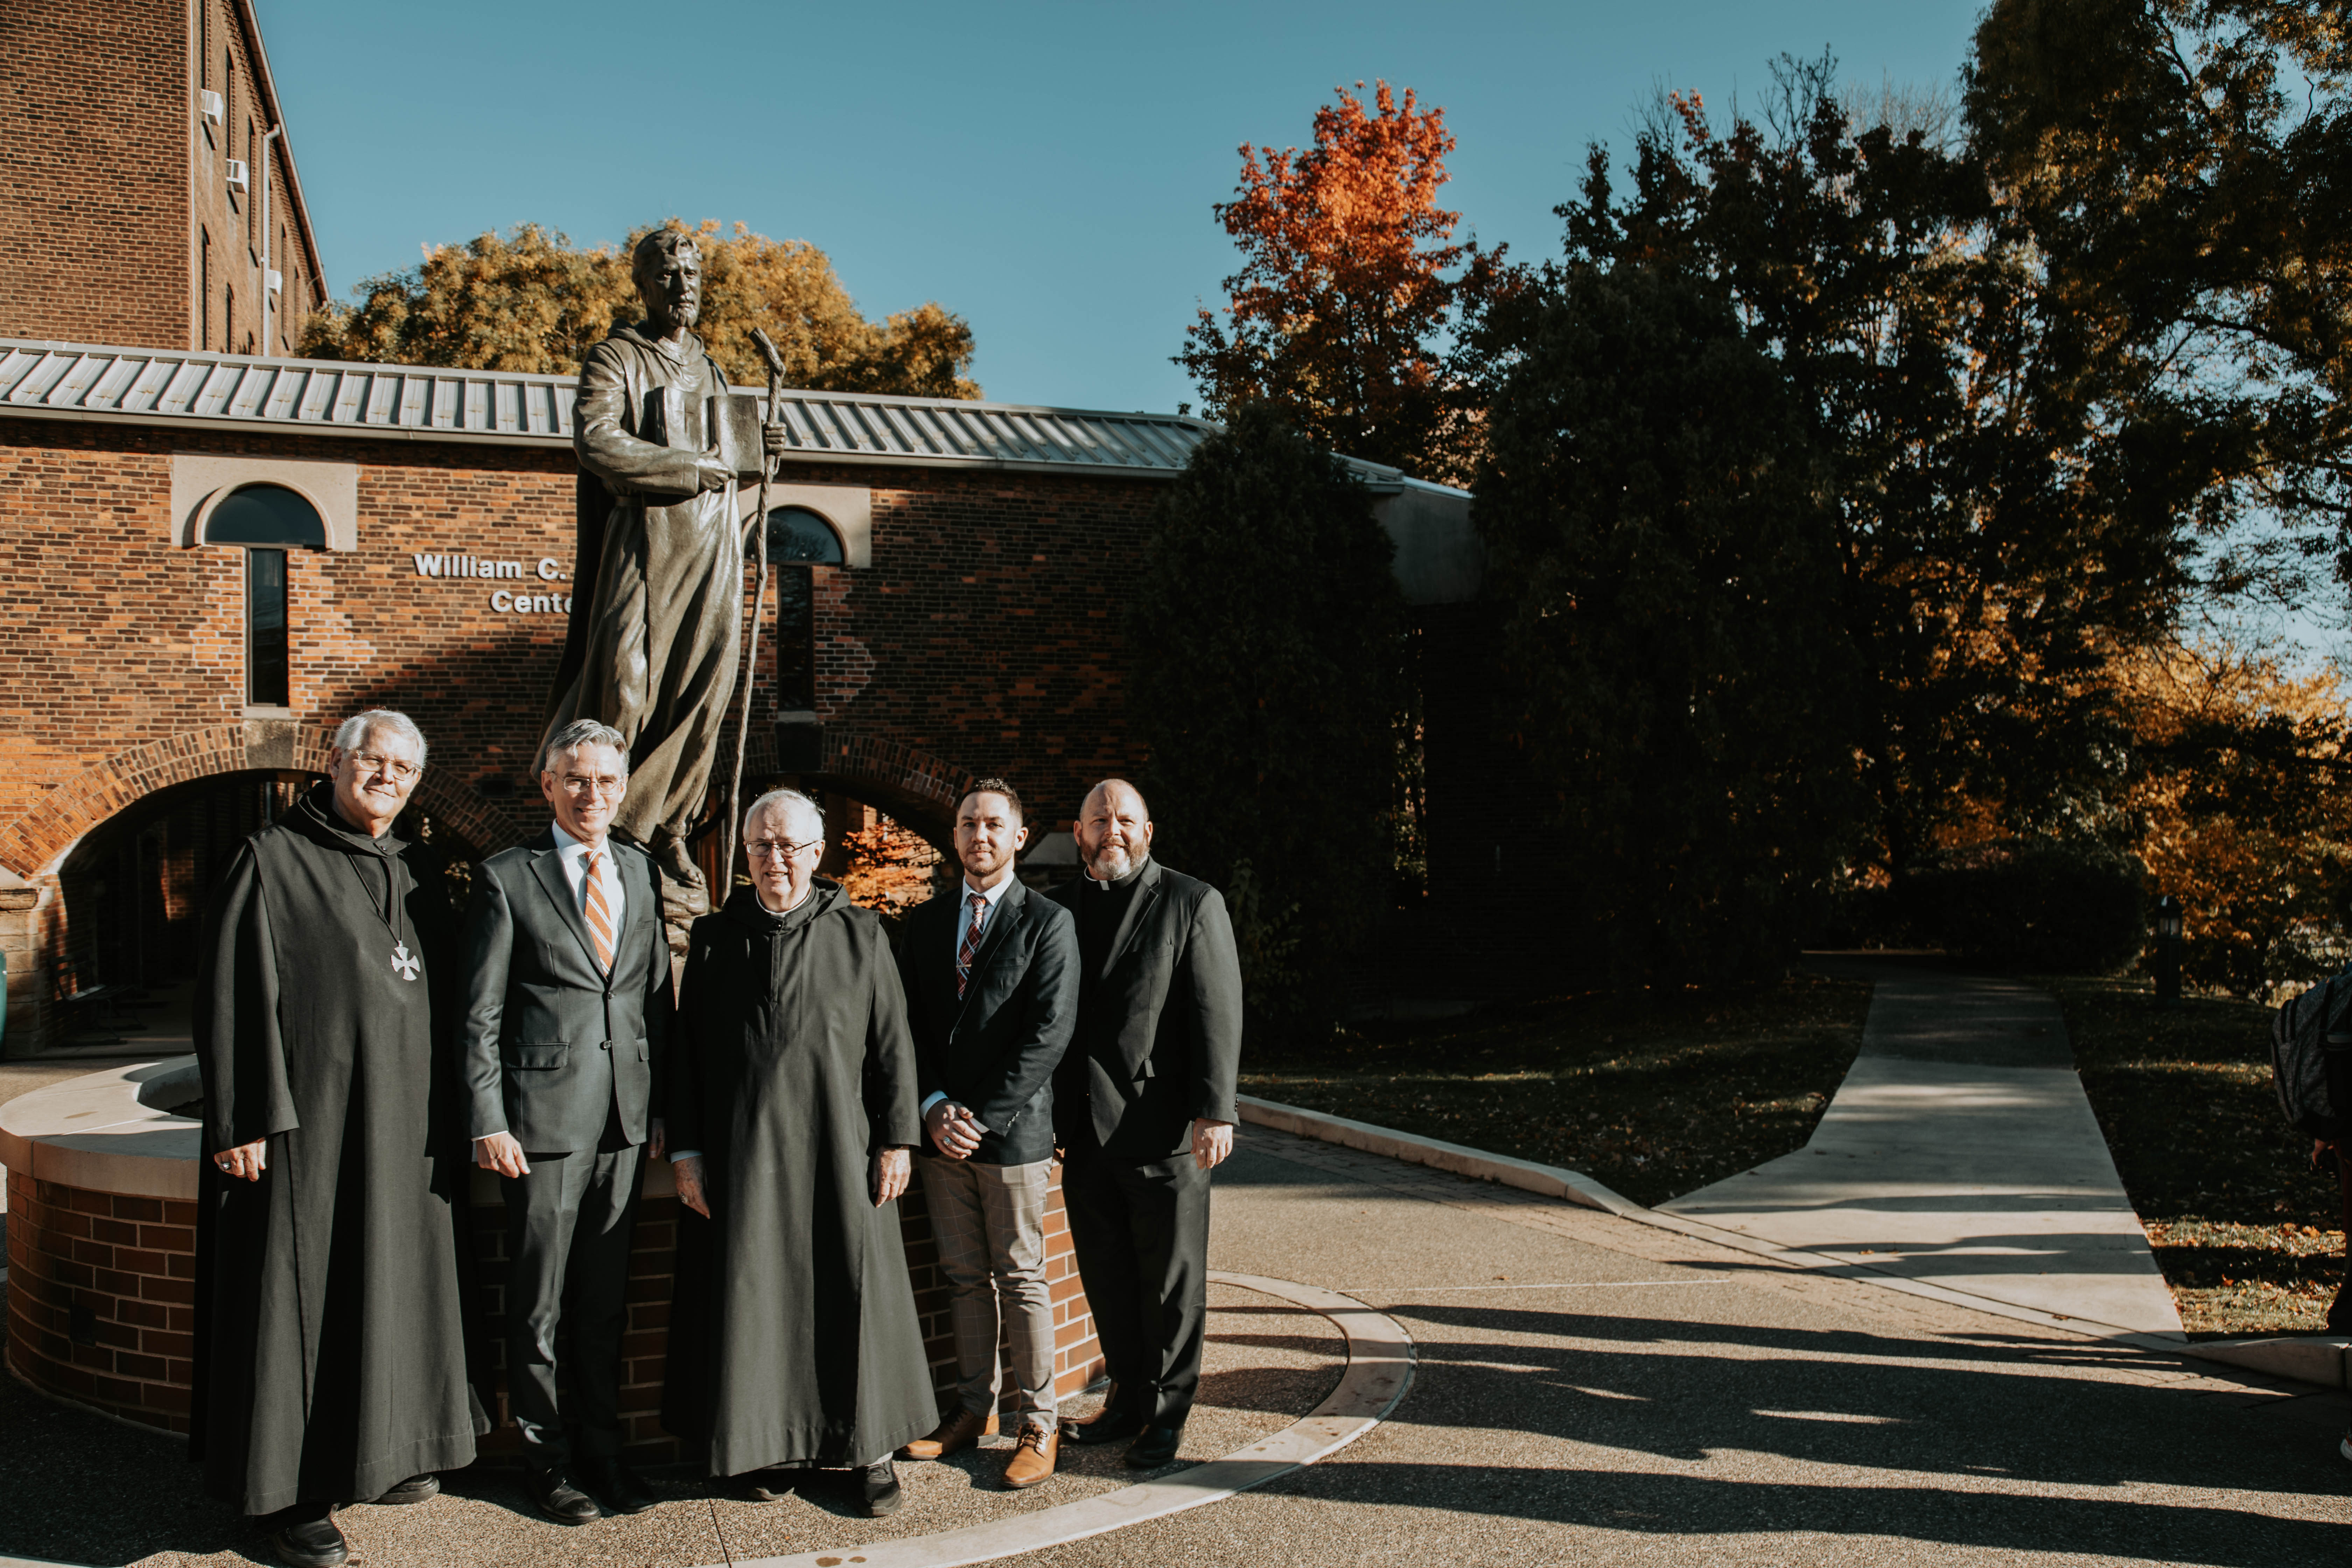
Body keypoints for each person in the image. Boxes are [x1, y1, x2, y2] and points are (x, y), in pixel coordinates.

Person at [191, 710, 486, 1568]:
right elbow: (233, 989)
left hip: (403, 1130)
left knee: (385, 1288)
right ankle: (288, 1494)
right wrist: (242, 1114)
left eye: (403, 767)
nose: (387, 776)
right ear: (335, 762)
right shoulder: (271, 859)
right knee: (303, 1299)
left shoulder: (418, 865)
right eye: (373, 760)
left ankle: (380, 1453)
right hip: (306, 1131)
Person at [662, 789, 937, 1516]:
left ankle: (868, 1450)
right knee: (757, 1300)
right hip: (742, 1158)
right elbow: (685, 1056)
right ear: (745, 855)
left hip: (842, 1151)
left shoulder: (862, 934)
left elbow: (893, 1047)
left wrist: (897, 1137)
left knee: (852, 1293)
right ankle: (765, 1443)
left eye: (789, 845)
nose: (774, 858)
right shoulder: (717, 939)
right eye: (760, 845)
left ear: (819, 852)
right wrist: (687, 1149)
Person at [461, 719, 673, 1523]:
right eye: (577, 779)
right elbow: (477, 1015)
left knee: (603, 1302)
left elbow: (656, 999)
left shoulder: (640, 872)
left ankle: (603, 1449)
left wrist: (662, 1109)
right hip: (539, 1127)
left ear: (624, 789)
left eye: (608, 781)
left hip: (625, 1123)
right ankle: (547, 1460)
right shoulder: (508, 877)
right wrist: (488, 1115)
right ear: (547, 783)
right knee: (541, 1302)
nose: (593, 795)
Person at [541, 226, 790, 908]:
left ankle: (667, 829)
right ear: (643, 284)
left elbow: (736, 458)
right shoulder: (617, 357)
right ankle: (607, 825)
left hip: (711, 544)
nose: (683, 287)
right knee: (627, 682)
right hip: (645, 541)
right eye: (668, 275)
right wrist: (684, 466)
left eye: (692, 274)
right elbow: (597, 440)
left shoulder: (710, 368)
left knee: (703, 692)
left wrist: (765, 448)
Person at [1046, 779, 1243, 1469]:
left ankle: (1167, 1413)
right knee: (1107, 1275)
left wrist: (1216, 1108)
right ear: (1080, 832)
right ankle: (1126, 1398)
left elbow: (1215, 1010)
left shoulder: (1192, 902)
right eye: (1100, 819)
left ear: (1148, 830)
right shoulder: (1056, 909)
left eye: (1125, 819)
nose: (1113, 830)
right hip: (1084, 1131)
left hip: (1163, 1130)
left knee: (1170, 1282)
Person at [895, 779, 1080, 1488]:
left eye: (994, 823)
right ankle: (973, 1409)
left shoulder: (1049, 922)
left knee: (1023, 1276)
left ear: (1019, 836)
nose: (980, 834)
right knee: (964, 1275)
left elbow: (1048, 1033)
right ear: (955, 836)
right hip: (943, 1134)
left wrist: (981, 1115)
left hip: (1011, 1135)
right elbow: (906, 1024)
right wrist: (935, 1105)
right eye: (969, 822)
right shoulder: (927, 921)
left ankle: (1040, 1421)